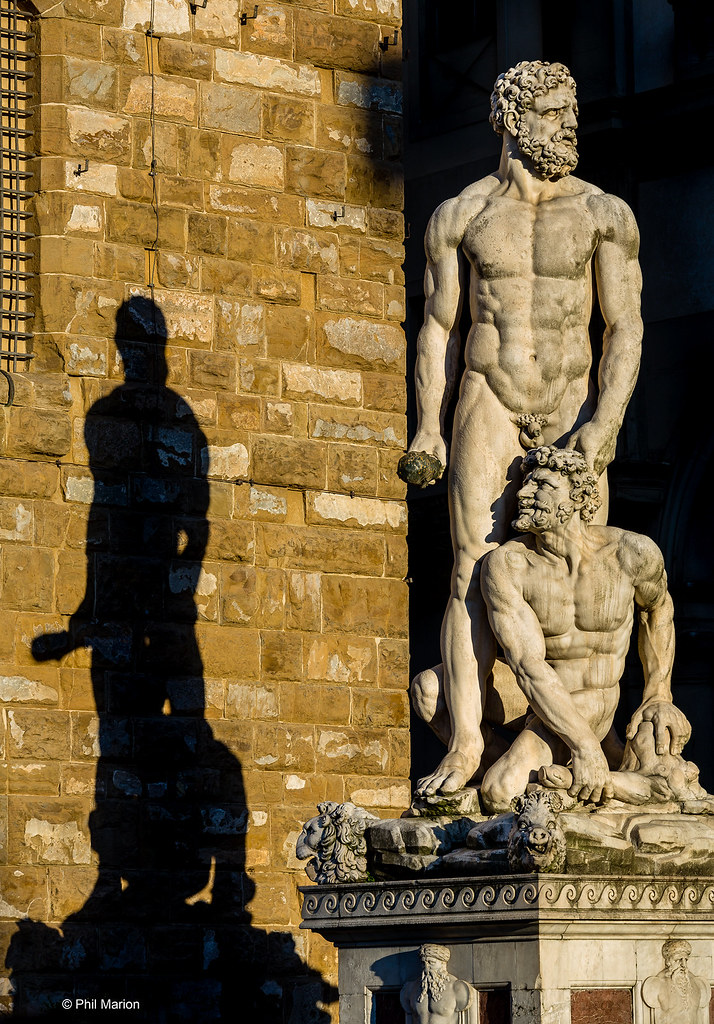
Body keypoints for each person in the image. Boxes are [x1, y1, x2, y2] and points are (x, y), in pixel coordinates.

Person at [407, 60, 643, 797]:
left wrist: (604, 422)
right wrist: (427, 430)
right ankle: (469, 741)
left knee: (577, 572)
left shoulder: (606, 213)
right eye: (550, 111)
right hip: (491, 398)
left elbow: (625, 329)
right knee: (472, 568)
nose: (568, 124)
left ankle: (584, 741)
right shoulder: (460, 215)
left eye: (572, 110)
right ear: (511, 117)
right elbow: (439, 329)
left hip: (572, 408)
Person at [478, 445, 690, 812]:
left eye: (541, 485)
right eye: (524, 486)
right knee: (428, 690)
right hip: (535, 692)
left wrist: (659, 692)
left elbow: (659, 609)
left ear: (577, 497)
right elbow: (528, 665)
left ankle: (567, 774)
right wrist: (585, 747)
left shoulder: (631, 553)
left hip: (594, 696)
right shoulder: (509, 564)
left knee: (499, 792)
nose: (524, 495)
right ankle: (576, 772)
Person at [400, 944, 475, 1024]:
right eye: (423, 963)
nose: (426, 967)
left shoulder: (457, 988)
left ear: (443, 964)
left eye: (431, 962)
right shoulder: (410, 989)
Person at [642, 939, 710, 1024]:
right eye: (678, 960)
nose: (684, 965)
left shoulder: (698, 984)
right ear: (668, 962)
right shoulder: (658, 984)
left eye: (686, 960)